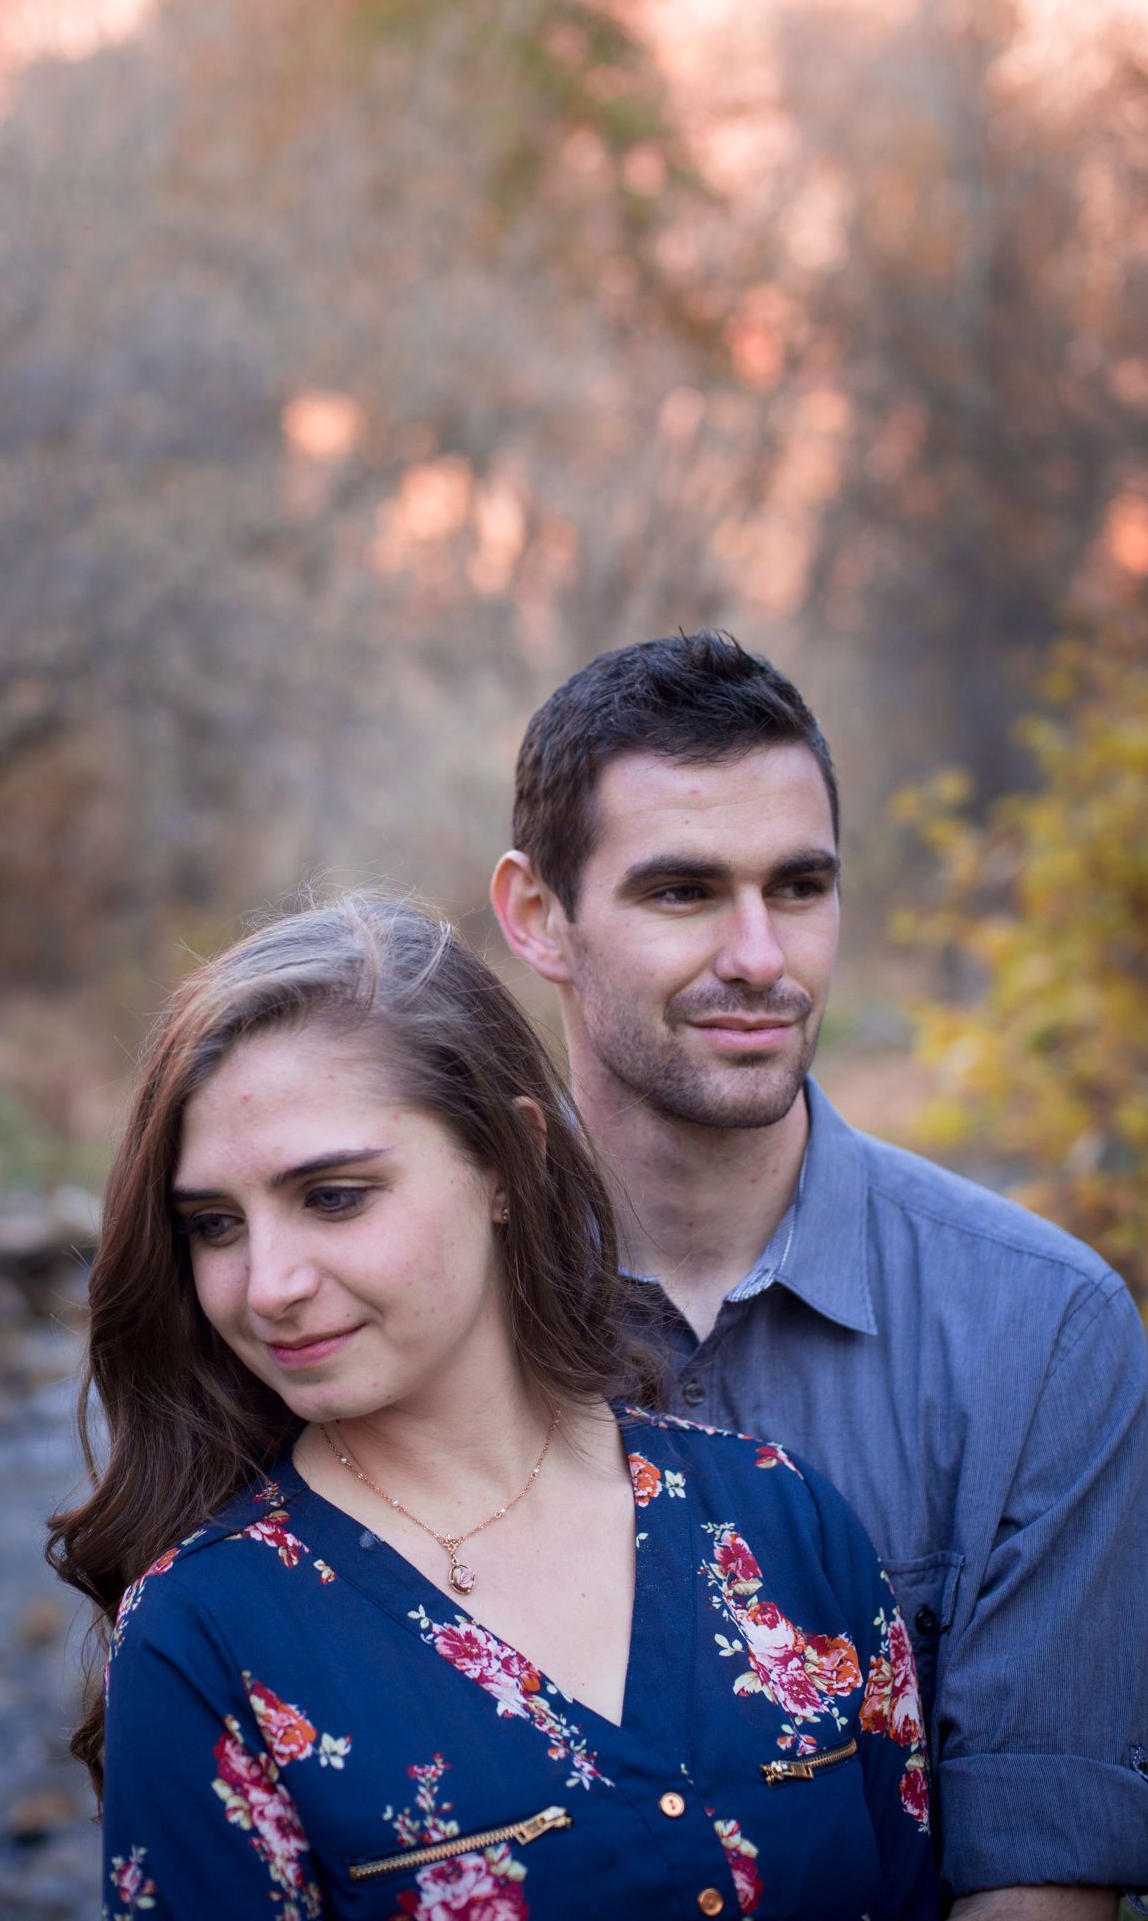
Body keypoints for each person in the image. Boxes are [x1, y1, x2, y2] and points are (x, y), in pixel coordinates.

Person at [49, 896, 939, 1921]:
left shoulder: (785, 1526)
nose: (266, 1285)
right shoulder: (203, 1640)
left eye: (333, 1195)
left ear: (507, 1166)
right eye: (214, 1224)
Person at [489, 630, 1148, 1918]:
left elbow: (1041, 1879)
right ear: (537, 915)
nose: (760, 956)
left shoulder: (1044, 1331)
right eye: (683, 891)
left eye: (798, 886)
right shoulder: (414, 1299)